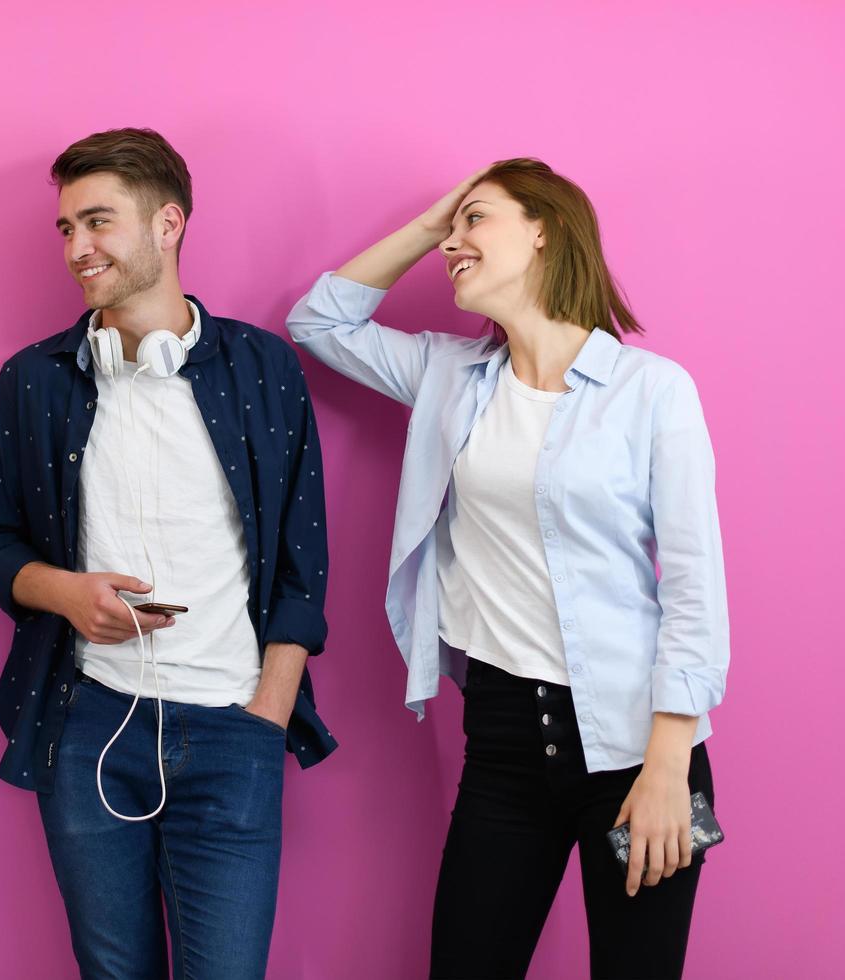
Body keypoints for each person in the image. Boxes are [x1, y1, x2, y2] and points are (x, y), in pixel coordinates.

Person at [287, 159, 728, 979]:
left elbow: (696, 587)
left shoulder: (653, 390)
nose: (455, 241)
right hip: (504, 743)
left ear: (544, 229)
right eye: (452, 227)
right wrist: (429, 227)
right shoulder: (449, 375)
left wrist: (670, 765)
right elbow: (319, 322)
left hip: (644, 748)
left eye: (475, 221)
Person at [0, 128, 335, 979]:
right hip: (90, 722)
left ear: (168, 223)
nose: (77, 249)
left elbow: (303, 560)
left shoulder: (264, 368)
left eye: (98, 222)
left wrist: (269, 708)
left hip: (236, 724)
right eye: (65, 229)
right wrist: (64, 593)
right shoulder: (36, 379)